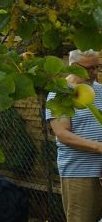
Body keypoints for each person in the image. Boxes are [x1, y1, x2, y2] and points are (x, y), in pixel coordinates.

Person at [45, 48, 102, 222]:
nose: (94, 73)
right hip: (80, 172)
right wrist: (99, 147)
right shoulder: (60, 94)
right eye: (89, 68)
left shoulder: (100, 90)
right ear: (73, 66)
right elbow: (63, 134)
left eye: (97, 67)